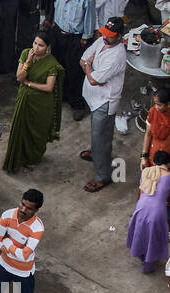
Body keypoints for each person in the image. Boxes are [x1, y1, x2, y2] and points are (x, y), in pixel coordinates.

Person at [79, 19, 126, 194]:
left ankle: (103, 175)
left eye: (110, 35)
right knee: (96, 134)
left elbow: (93, 78)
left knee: (102, 138)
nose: (105, 37)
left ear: (120, 37)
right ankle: (96, 154)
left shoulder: (117, 56)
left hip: (105, 102)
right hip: (93, 96)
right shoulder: (102, 40)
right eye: (105, 32)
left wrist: (89, 66)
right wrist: (89, 67)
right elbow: (82, 59)